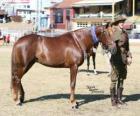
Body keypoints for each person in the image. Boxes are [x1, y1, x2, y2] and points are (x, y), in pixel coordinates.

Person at [109, 18, 132, 106]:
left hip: (124, 58)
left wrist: (129, 56)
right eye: (120, 22)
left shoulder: (125, 33)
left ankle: (119, 99)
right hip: (116, 58)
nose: (122, 23)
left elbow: (127, 48)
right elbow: (111, 46)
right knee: (114, 79)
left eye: (123, 22)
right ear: (117, 23)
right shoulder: (115, 33)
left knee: (122, 78)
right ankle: (113, 100)